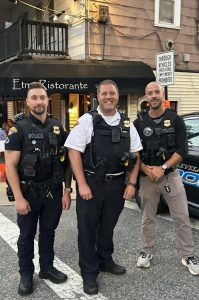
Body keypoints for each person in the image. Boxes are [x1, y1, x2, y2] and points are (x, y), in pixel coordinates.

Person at [65, 79, 142, 295]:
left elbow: (136, 155)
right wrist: (81, 184)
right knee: (88, 231)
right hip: (91, 184)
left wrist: (132, 183)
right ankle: (89, 273)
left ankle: (105, 260)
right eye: (104, 93)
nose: (108, 97)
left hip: (117, 185)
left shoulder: (127, 123)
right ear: (97, 97)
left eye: (112, 93)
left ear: (118, 96)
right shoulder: (87, 120)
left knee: (108, 227)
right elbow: (73, 152)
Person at [4, 82, 72, 296]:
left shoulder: (57, 126)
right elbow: (10, 167)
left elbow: (67, 160)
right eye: (34, 97)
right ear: (27, 101)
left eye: (42, 97)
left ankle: (47, 268)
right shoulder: (18, 129)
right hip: (30, 193)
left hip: (53, 191)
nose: (39, 101)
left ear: (47, 100)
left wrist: (67, 190)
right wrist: (18, 198)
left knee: (48, 232)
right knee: (26, 235)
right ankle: (26, 273)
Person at [134, 81, 199, 276]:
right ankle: (147, 251)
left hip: (170, 176)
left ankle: (187, 255)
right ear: (146, 97)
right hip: (148, 177)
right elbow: (134, 152)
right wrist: (147, 170)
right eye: (150, 93)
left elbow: (182, 150)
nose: (154, 95)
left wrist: (163, 168)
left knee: (182, 216)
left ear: (162, 94)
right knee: (148, 218)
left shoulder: (175, 120)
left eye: (157, 92)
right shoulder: (138, 122)